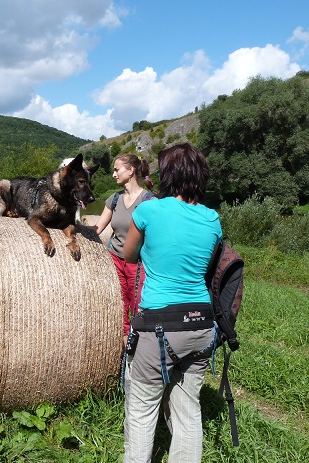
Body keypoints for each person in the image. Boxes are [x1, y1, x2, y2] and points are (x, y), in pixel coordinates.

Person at [122, 143, 222, 463]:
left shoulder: (150, 210)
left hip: (160, 328)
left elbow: (129, 255)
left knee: (141, 409)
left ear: (167, 175)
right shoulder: (212, 218)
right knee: (188, 410)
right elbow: (204, 268)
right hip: (203, 325)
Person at [92, 154, 154, 345]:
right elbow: (97, 229)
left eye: (117, 169)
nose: (113, 174)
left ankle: (141, 347)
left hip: (140, 264)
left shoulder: (149, 200)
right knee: (120, 307)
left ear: (131, 170)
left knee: (139, 305)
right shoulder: (115, 199)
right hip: (115, 260)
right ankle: (123, 350)